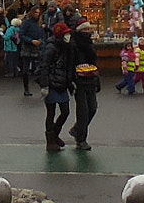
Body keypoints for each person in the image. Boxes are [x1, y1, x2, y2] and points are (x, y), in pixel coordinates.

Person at [42, 21, 75, 151]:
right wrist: (44, 85)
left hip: (61, 83)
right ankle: (50, 140)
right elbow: (44, 66)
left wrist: (69, 82)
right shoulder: (51, 48)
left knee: (65, 111)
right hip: (52, 83)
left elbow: (68, 67)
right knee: (51, 112)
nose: (68, 36)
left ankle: (55, 134)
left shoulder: (68, 48)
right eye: (66, 34)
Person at [69, 24, 101, 151]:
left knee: (92, 108)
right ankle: (81, 139)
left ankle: (77, 129)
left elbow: (94, 62)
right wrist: (72, 80)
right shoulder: (73, 45)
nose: (87, 32)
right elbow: (70, 63)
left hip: (90, 78)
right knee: (83, 110)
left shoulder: (89, 44)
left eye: (88, 29)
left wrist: (97, 78)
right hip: (79, 80)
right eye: (85, 30)